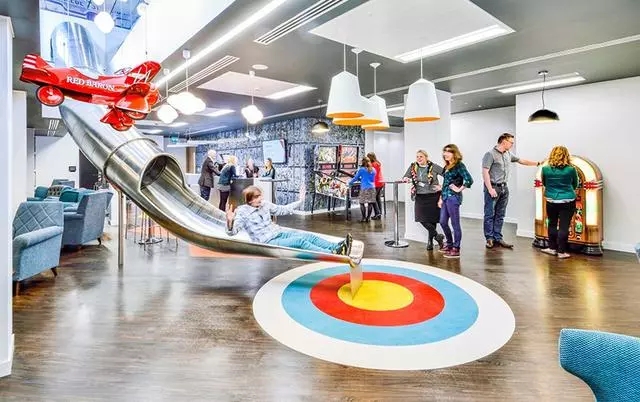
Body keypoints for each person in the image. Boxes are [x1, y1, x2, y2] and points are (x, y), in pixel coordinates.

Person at [226, 184, 352, 255]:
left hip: (278, 233)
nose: (261, 199)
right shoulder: (242, 212)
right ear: (250, 200)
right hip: (267, 241)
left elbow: (283, 209)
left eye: (260, 196)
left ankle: (336, 246)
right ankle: (332, 253)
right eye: (257, 197)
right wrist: (230, 222)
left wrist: (300, 201)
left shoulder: (264, 205)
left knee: (308, 236)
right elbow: (232, 232)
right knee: (299, 241)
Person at [482, 133, 541, 249]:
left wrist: (537, 163)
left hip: (504, 188)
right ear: (504, 141)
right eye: (511, 142)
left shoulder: (508, 154)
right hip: (493, 187)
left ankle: (497, 237)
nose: (512, 145)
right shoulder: (490, 154)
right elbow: (485, 172)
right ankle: (489, 238)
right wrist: (490, 189)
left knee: (500, 214)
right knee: (490, 214)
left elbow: (521, 160)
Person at [540, 146, 579, 259]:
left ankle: (552, 248)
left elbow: (545, 183)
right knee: (564, 226)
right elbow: (575, 184)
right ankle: (561, 252)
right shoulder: (571, 169)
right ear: (566, 155)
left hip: (551, 200)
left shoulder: (545, 169)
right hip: (567, 200)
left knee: (552, 223)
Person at [402, 150, 445, 250]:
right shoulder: (413, 167)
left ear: (426, 157)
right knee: (420, 218)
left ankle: (430, 242)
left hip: (433, 196)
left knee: (432, 220)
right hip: (420, 196)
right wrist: (406, 178)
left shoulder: (433, 166)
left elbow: (447, 175)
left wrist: (442, 186)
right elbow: (405, 176)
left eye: (421, 156)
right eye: (417, 156)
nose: (419, 158)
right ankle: (438, 236)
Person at [438, 144, 474, 258]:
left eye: (449, 151)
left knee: (455, 223)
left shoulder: (459, 165)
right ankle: (449, 244)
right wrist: (440, 198)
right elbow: (445, 184)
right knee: (443, 222)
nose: (445, 154)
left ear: (454, 153)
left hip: (453, 198)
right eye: (444, 151)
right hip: (445, 197)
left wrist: (459, 189)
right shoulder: (447, 166)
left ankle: (456, 248)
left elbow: (469, 179)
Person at [349, 157, 379, 222]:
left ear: (363, 162)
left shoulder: (362, 169)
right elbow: (371, 179)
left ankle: (363, 218)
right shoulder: (373, 169)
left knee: (362, 203)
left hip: (364, 188)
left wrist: (350, 182)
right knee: (370, 203)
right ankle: (368, 218)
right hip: (372, 188)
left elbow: (356, 178)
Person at [367, 152, 384, 220]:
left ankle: (377, 213)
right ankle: (379, 213)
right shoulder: (377, 163)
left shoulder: (372, 164)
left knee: (372, 199)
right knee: (377, 198)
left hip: (376, 183)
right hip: (381, 182)